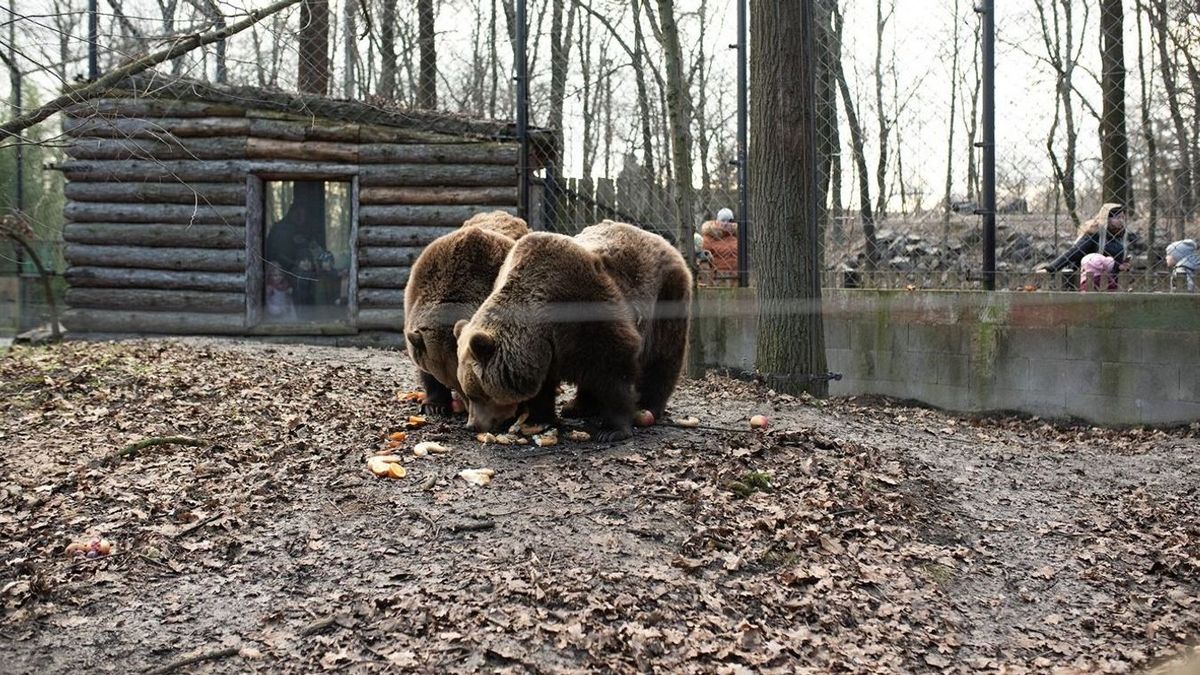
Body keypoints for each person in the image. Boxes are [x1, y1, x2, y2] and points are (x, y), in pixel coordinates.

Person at [1036, 203, 1131, 284]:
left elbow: (1109, 262)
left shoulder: (1120, 236)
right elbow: (1074, 252)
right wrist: (1050, 269)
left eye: (1123, 217)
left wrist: (1119, 266)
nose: (1121, 221)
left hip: (1110, 282)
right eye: (1118, 217)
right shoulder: (1094, 235)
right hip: (1089, 281)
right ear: (1107, 218)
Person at [700, 208, 739, 283]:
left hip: (736, 277)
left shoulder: (736, 237)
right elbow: (704, 257)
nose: (726, 223)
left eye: (729, 221)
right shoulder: (709, 237)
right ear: (717, 221)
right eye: (723, 220)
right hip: (717, 278)